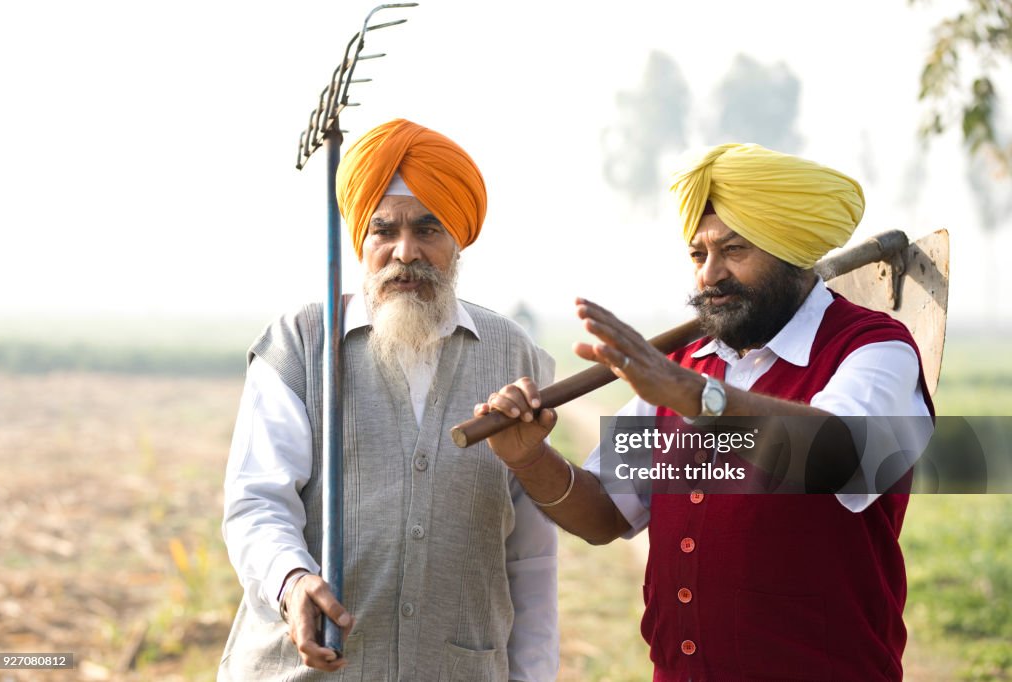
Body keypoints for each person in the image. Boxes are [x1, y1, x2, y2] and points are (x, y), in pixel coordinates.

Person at [478, 143, 935, 681]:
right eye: (698, 255)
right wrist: (530, 459)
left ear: (790, 252)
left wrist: (695, 396)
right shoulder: (685, 365)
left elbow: (841, 457)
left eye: (734, 250)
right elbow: (604, 514)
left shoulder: (874, 349)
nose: (709, 276)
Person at [219, 119, 559, 681]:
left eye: (428, 229)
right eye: (385, 230)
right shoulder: (301, 344)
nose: (406, 252)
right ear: (362, 240)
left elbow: (531, 557)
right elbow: (257, 503)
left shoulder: (514, 355)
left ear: (458, 239)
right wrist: (291, 580)